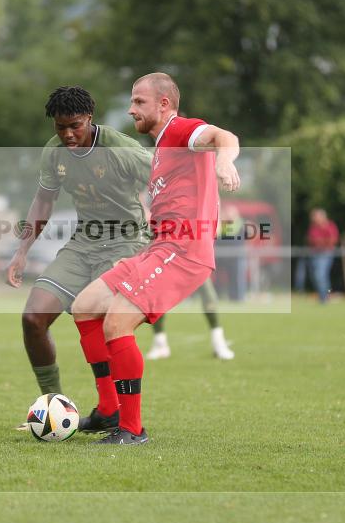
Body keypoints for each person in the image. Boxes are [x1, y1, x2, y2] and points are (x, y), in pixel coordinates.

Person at [70, 72, 240, 445]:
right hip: (160, 249)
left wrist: (225, 161)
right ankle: (108, 411)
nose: (131, 109)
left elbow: (223, 137)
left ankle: (131, 429)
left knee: (116, 324)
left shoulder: (181, 132)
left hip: (183, 253)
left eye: (138, 102)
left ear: (164, 104)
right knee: (85, 306)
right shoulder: (162, 151)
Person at [4, 86, 152, 423]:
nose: (68, 134)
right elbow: (44, 201)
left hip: (127, 243)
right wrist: (22, 251)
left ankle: (112, 411)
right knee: (33, 319)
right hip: (83, 243)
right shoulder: (54, 153)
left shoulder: (122, 150)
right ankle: (52, 406)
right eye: (60, 127)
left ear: (90, 119)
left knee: (102, 320)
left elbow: (165, 182)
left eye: (75, 125)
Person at [145, 278, 234, 360]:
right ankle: (160, 344)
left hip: (193, 261)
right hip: (167, 262)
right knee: (158, 294)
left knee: (206, 291)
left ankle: (218, 342)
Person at [307, 208, 339, 303]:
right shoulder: (313, 227)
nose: (314, 218)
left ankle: (325, 297)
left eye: (315, 216)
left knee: (320, 275)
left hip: (326, 253)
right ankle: (324, 295)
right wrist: (323, 241)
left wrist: (320, 241)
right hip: (315, 254)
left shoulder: (330, 226)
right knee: (316, 276)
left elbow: (333, 240)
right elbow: (311, 240)